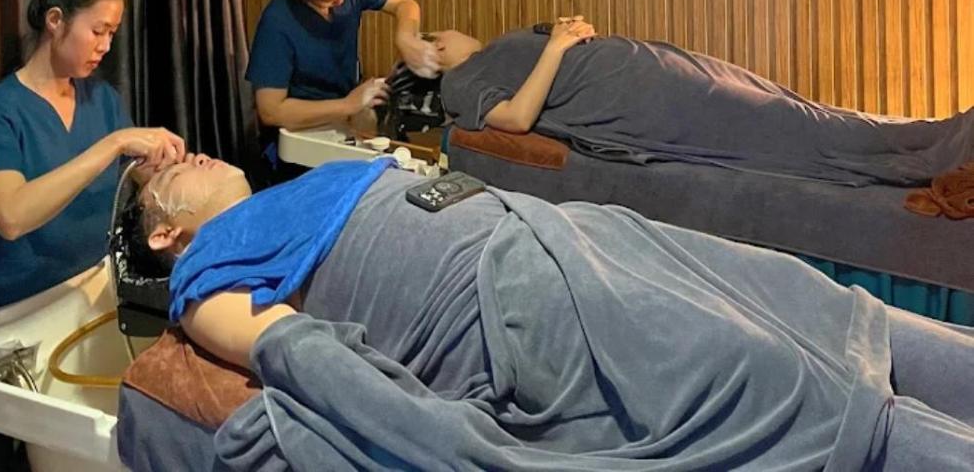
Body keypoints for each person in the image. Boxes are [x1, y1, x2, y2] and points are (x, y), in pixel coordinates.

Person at [123, 155, 974, 470]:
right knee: (782, 382)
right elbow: (295, 350)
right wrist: (447, 442)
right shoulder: (205, 273)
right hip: (510, 303)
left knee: (821, 311)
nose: (189, 151)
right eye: (172, 169)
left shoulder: (288, 190)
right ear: (165, 231)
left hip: (574, 238)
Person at [0, 0, 185, 472]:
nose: (105, 46)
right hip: (0, 319)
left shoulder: (102, 100)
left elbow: (131, 182)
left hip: (76, 304)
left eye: (113, 33)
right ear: (55, 21)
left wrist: (162, 169)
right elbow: (11, 216)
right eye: (97, 30)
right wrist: (111, 146)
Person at [433, 18, 974, 186]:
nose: (449, 30)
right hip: (642, 104)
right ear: (435, 55)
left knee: (788, 107)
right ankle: (936, 153)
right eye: (437, 36)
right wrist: (555, 47)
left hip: (658, 69)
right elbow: (517, 118)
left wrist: (564, 34)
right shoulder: (459, 81)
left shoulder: (497, 49)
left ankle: (938, 135)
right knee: (786, 125)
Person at [245, 0, 433, 138]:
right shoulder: (277, 23)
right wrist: (347, 104)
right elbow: (270, 111)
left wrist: (405, 38)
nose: (342, 1)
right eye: (331, 0)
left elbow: (405, 5)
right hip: (299, 130)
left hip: (345, 111)